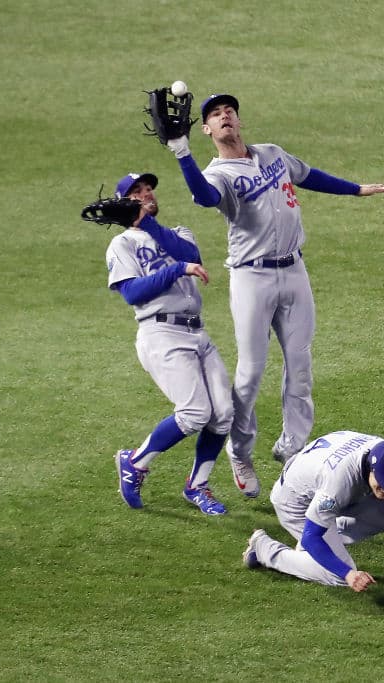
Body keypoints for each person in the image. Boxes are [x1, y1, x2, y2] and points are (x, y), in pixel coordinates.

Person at [159, 93, 384, 500]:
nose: (225, 115)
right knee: (250, 373)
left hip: (295, 271)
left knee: (301, 366)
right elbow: (205, 197)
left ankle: (293, 451)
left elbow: (308, 175)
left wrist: (356, 189)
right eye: (215, 114)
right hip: (252, 278)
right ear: (207, 130)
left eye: (229, 110)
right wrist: (182, 153)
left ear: (238, 120)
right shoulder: (217, 173)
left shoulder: (271, 153)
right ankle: (240, 451)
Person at [106, 171, 234, 515]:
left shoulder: (178, 233)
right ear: (124, 203)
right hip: (160, 334)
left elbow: (190, 254)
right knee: (194, 413)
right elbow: (132, 293)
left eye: (149, 188)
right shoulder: (122, 244)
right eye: (137, 191)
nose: (146, 193)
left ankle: (197, 486)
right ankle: (135, 463)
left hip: (197, 333)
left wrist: (150, 225)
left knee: (223, 414)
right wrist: (175, 270)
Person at [239, 430, 384, 592]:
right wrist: (348, 574)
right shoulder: (338, 484)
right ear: (371, 468)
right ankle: (264, 549)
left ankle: (328, 537)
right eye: (382, 482)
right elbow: (311, 537)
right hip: (295, 502)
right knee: (337, 575)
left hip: (320, 483)